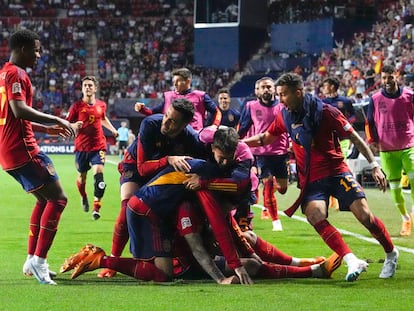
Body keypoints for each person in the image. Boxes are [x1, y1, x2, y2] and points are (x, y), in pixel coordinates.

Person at [243, 72, 399, 282]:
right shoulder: (284, 115)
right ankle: (352, 259)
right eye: (278, 94)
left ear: (298, 93)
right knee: (315, 215)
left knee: (364, 216)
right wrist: (240, 142)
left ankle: (391, 253)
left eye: (284, 94)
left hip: (337, 171)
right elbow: (264, 138)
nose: (280, 99)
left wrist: (374, 165)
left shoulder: (326, 112)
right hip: (312, 178)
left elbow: (353, 136)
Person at [97, 98, 206, 278]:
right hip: (136, 166)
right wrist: (169, 159)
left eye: (172, 121)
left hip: (162, 173)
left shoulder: (191, 139)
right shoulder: (150, 124)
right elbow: (142, 167)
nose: (166, 122)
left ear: (184, 125)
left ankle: (171, 256)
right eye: (166, 117)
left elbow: (202, 163)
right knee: (127, 207)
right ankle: (113, 260)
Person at [0, 29, 76, 285]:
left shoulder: (3, 73)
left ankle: (31, 257)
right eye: (36, 49)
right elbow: (19, 110)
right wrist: (56, 118)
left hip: (8, 152)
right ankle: (39, 261)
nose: (39, 55)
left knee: (44, 201)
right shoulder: (16, 74)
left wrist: (46, 128)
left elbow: (12, 117)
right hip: (23, 149)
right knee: (59, 200)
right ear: (22, 49)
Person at [365, 64, 414, 236]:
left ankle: (413, 212)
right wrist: (372, 140)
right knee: (395, 188)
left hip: (409, 146)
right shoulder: (375, 98)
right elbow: (369, 122)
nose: (387, 81)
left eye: (390, 77)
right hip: (387, 149)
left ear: (396, 75)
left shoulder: (409, 95)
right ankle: (405, 218)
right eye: (384, 77)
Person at [238, 77, 290, 231]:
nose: (266, 89)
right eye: (263, 87)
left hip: (281, 152)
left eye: (269, 87)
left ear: (274, 89)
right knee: (267, 185)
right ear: (257, 91)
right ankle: (276, 221)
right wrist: (235, 143)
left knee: (282, 189)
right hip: (261, 154)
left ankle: (273, 187)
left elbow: (290, 126)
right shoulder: (250, 106)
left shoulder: (282, 106)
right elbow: (243, 128)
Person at [66, 75, 119, 220]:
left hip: (98, 146)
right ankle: (84, 196)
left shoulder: (101, 105)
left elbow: (102, 118)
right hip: (82, 147)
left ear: (95, 88)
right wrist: (73, 125)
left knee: (99, 177)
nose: (88, 87)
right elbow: (66, 123)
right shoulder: (76, 107)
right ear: (82, 89)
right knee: (82, 178)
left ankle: (97, 207)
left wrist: (113, 130)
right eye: (85, 86)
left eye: (90, 85)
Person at [135, 67, 220, 132]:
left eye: (178, 81)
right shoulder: (168, 96)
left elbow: (216, 112)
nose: (175, 84)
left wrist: (214, 126)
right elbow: (153, 112)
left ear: (188, 81)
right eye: (173, 82)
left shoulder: (201, 96)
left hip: (194, 136)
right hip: (171, 137)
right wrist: (142, 109)